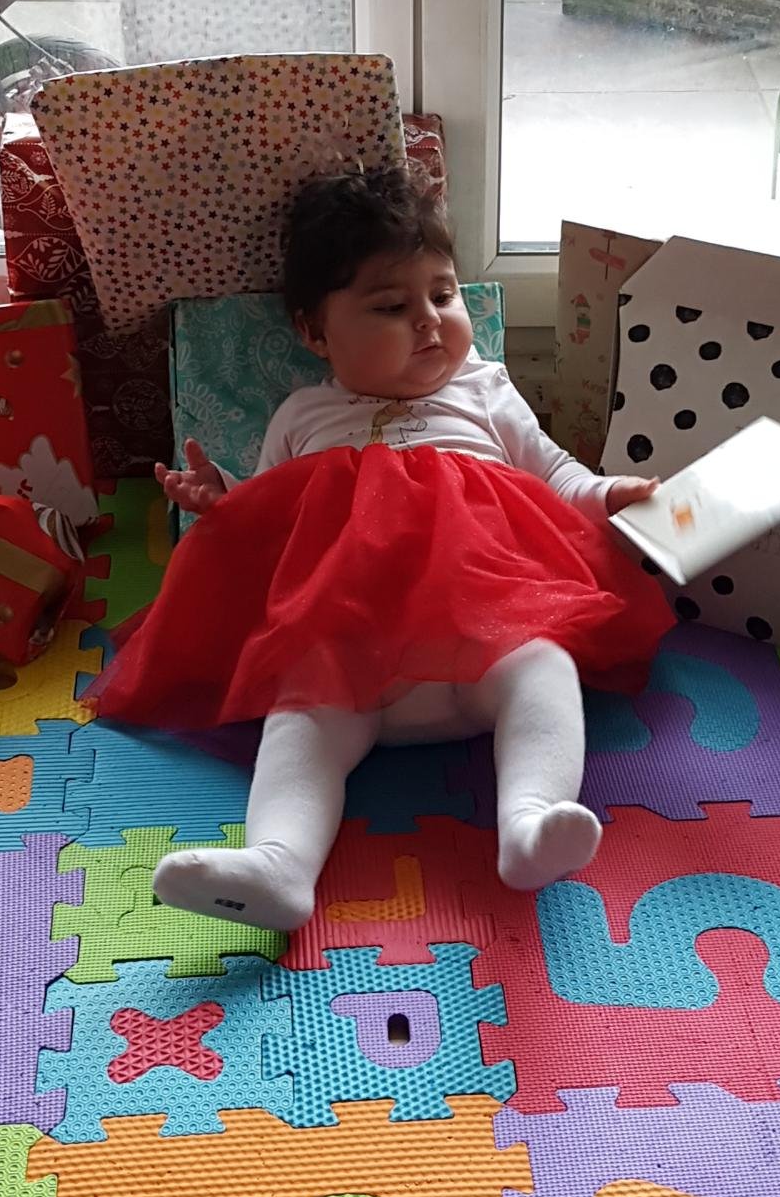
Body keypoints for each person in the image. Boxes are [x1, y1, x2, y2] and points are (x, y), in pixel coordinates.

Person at [87, 166, 675, 931]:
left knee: (544, 666)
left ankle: (531, 819)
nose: (430, 322)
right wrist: (224, 503)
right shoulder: (303, 414)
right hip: (351, 656)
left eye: (444, 295)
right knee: (300, 714)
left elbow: (557, 473)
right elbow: (276, 521)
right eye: (392, 307)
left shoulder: (484, 389)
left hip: (485, 635)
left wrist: (611, 492)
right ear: (315, 333)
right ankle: (278, 864)